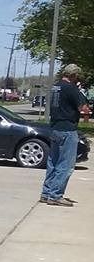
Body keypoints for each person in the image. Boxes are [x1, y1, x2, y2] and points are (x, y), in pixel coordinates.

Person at [41, 63, 89, 207]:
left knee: (53, 162)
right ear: (74, 76)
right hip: (67, 129)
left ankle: (46, 193)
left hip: (55, 127)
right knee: (66, 164)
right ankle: (55, 195)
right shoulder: (72, 89)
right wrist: (81, 93)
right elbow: (83, 108)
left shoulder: (55, 87)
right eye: (77, 76)